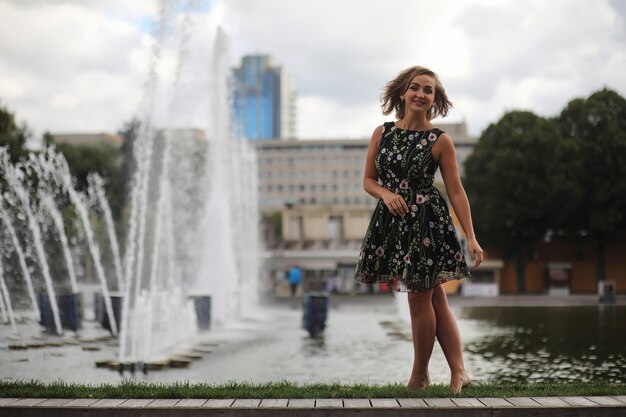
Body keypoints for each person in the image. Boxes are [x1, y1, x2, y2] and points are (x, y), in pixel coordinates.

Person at [354, 66, 483, 394]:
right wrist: (386, 193)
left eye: (429, 90)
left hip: (426, 224)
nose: (421, 94)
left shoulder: (440, 141)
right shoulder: (381, 133)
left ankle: (420, 375)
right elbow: (369, 180)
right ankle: (460, 371)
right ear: (403, 93)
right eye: (415, 87)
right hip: (393, 224)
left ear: (434, 99)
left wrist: (471, 236)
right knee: (435, 299)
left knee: (417, 299)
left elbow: (456, 191)